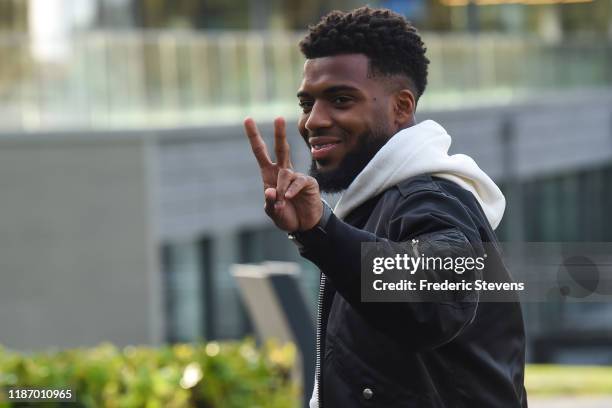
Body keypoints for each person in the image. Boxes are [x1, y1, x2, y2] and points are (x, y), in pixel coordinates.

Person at [243, 6, 527, 408]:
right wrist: (317, 231)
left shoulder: (430, 199)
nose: (313, 121)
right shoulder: (373, 203)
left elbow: (434, 301)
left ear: (401, 108)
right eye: (307, 104)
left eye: (340, 100)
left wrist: (322, 229)